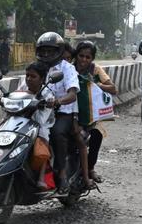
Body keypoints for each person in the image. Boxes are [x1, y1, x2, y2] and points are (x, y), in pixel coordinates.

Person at [34, 32, 80, 196]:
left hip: (62, 112)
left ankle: (62, 174)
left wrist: (58, 101)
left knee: (56, 133)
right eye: (43, 51)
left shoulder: (67, 68)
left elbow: (72, 94)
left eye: (50, 51)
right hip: (39, 110)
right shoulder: (37, 67)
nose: (46, 54)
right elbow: (24, 85)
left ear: (59, 51)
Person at [73, 40, 116, 184]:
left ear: (92, 58)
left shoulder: (95, 70)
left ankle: (90, 168)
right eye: (81, 56)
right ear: (76, 55)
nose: (84, 60)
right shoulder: (69, 68)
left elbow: (113, 89)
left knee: (97, 134)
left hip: (91, 114)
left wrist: (95, 84)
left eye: (88, 57)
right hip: (71, 111)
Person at [17, 61, 56, 191]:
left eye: (33, 76)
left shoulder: (47, 94)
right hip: (21, 119)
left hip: (40, 124)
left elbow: (40, 120)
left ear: (42, 79)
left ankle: (41, 177)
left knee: (42, 140)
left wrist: (37, 105)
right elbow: (15, 97)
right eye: (27, 75)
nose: (29, 79)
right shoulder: (24, 86)